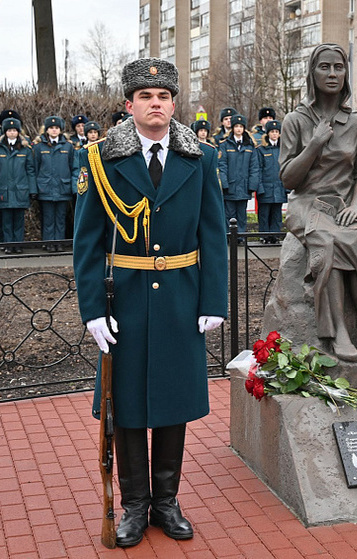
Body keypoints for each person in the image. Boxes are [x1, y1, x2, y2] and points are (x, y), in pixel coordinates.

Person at [73, 57, 227, 547]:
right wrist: (93, 309)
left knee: (173, 402)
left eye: (163, 97)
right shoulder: (103, 159)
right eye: (145, 97)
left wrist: (214, 298)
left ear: (174, 104)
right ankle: (135, 506)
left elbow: (213, 232)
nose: (155, 104)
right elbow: (87, 243)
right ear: (129, 104)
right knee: (129, 404)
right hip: (127, 302)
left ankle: (166, 502)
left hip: (181, 298)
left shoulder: (199, 158)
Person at [279, 43, 357, 363]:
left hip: (343, 204)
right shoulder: (297, 120)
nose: (332, 73)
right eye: (325, 67)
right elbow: (288, 179)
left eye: (339, 67)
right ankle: (336, 333)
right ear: (312, 72)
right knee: (328, 243)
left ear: (347, 73)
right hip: (307, 203)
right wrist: (315, 143)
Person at [32, 115, 75, 251]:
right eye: (51, 128)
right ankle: (49, 243)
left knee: (61, 218)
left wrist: (72, 186)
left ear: (61, 130)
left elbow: (73, 166)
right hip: (45, 188)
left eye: (57, 128)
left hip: (63, 187)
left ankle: (59, 243)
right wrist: (36, 187)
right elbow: (35, 168)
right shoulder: (39, 147)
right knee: (48, 218)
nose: (54, 130)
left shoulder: (68, 147)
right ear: (47, 130)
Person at [217, 113, 260, 239]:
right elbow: (222, 165)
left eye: (241, 126)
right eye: (236, 126)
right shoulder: (225, 145)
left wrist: (252, 185)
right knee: (229, 214)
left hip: (244, 186)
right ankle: (230, 237)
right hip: (230, 186)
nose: (239, 129)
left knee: (242, 215)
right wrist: (224, 184)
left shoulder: (249, 146)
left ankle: (240, 237)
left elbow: (254, 167)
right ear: (232, 128)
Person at [0, 117, 37, 253]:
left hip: (21, 190)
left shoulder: (25, 150)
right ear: (5, 132)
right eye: (9, 130)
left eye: (14, 130)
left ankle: (18, 245)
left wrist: (33, 189)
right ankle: (8, 245)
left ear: (18, 132)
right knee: (6, 221)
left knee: (19, 220)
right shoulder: (1, 149)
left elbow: (30, 171)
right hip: (4, 191)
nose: (12, 133)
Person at [256, 119, 286, 244]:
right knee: (264, 213)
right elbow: (258, 169)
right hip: (265, 187)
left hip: (279, 187)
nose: (274, 134)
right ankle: (264, 235)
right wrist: (259, 187)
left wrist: (287, 187)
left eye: (276, 132)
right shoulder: (261, 150)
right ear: (267, 133)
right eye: (272, 132)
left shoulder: (283, 149)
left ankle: (275, 235)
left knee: (276, 213)